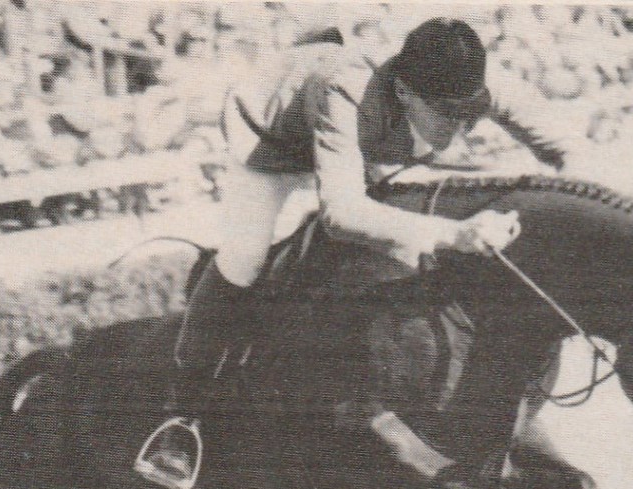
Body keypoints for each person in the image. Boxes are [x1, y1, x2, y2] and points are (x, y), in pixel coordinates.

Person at [162, 17, 584, 422]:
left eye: (468, 113)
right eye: (445, 114)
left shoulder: (470, 82)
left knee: (414, 216)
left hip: (365, 138)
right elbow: (342, 214)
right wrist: (454, 233)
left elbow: (564, 146)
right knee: (245, 258)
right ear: (403, 91)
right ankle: (185, 407)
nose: (458, 128)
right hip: (269, 136)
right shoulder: (346, 89)